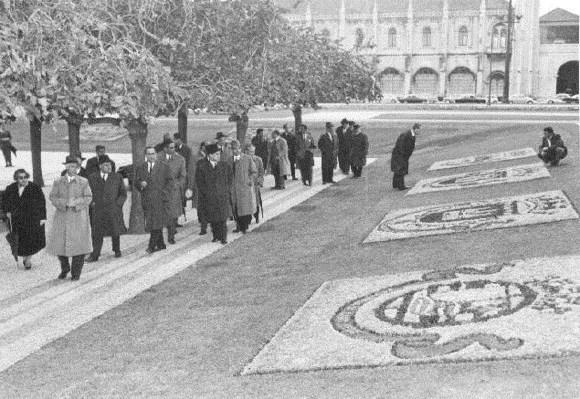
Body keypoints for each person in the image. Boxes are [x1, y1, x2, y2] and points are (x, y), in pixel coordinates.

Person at [47, 155, 93, 281]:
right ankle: (65, 267)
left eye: (75, 166)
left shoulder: (84, 182)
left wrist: (76, 203)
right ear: (66, 167)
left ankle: (76, 273)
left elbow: (88, 197)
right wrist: (64, 203)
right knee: (60, 245)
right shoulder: (58, 181)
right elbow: (52, 197)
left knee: (79, 246)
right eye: (70, 166)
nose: (72, 168)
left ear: (78, 168)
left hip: (78, 218)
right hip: (62, 217)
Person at [1, 169, 46, 269]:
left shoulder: (35, 188)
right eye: (21, 178)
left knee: (31, 240)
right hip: (17, 220)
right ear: (16, 179)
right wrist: (7, 211)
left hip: (32, 219)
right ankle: (24, 257)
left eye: (25, 177)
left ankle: (28, 259)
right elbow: (4, 201)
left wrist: (43, 217)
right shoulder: (10, 188)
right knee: (20, 241)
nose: (24, 179)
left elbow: (42, 202)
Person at [86, 156, 127, 262]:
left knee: (115, 229)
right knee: (97, 233)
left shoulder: (117, 177)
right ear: (100, 166)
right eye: (105, 165)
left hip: (113, 209)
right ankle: (95, 254)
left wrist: (118, 205)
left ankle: (117, 250)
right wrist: (92, 203)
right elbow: (87, 193)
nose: (109, 167)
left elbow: (123, 194)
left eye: (110, 165)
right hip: (98, 209)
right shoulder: (92, 177)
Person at [134, 146, 173, 254]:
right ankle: (161, 244)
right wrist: (141, 184)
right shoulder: (141, 167)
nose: (151, 156)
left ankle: (151, 246)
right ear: (146, 155)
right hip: (147, 199)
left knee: (155, 222)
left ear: (156, 154)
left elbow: (170, 182)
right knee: (153, 221)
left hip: (160, 199)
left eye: (153, 153)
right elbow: (136, 182)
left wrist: (164, 193)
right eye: (149, 154)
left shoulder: (164, 167)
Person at [195, 143, 233, 244]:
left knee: (223, 219)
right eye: (216, 154)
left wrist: (226, 190)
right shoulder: (202, 167)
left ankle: (223, 237)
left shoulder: (225, 166)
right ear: (210, 155)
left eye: (219, 154)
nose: (218, 156)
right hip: (210, 198)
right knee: (213, 219)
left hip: (222, 197)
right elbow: (200, 183)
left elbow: (230, 179)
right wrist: (207, 194)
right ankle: (216, 235)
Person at [159, 139, 186, 245]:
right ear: (165, 149)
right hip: (160, 189)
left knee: (173, 214)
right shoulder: (158, 158)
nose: (173, 149)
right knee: (161, 214)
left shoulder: (180, 159)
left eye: (174, 147)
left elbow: (183, 175)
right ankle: (160, 238)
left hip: (173, 190)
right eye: (171, 147)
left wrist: (177, 184)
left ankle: (171, 235)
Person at [231, 140, 257, 234]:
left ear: (240, 148)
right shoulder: (230, 160)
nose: (235, 151)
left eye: (236, 148)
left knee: (245, 208)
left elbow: (254, 171)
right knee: (236, 208)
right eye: (233, 149)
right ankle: (238, 226)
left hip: (244, 187)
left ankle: (244, 227)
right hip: (234, 188)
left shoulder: (247, 158)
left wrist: (249, 180)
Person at [391, 123, 420, 191]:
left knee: (398, 169)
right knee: (401, 169)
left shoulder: (411, 134)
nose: (420, 132)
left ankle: (395, 184)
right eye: (419, 130)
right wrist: (403, 155)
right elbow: (400, 145)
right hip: (400, 155)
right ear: (415, 129)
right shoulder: (406, 134)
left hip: (401, 155)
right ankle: (401, 186)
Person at [174, 132, 195, 216]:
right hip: (176, 175)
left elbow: (190, 163)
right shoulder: (174, 148)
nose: (174, 141)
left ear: (179, 140)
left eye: (175, 139)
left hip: (184, 175)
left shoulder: (187, 149)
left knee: (182, 196)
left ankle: (181, 213)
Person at [244, 144, 264, 223]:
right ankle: (248, 219)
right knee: (247, 203)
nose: (252, 153)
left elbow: (261, 172)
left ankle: (256, 217)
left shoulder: (258, 160)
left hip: (255, 185)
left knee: (256, 201)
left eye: (253, 151)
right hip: (246, 185)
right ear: (246, 151)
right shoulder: (243, 160)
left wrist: (259, 181)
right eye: (250, 152)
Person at [194, 142, 209, 235]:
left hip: (212, 189)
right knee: (202, 208)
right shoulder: (200, 162)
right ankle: (203, 227)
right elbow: (197, 176)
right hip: (202, 189)